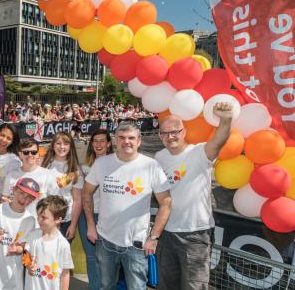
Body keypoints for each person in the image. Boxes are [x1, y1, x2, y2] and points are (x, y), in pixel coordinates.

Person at [83, 122, 172, 290]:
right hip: (105, 240)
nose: (127, 142)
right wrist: (90, 225)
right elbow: (86, 193)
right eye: (122, 138)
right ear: (115, 140)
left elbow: (166, 202)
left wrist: (153, 238)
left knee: (136, 287)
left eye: (131, 138)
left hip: (136, 244)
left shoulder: (151, 166)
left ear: (139, 141)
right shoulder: (102, 164)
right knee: (105, 286)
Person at [155, 102, 234, 290]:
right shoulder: (159, 157)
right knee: (166, 285)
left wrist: (226, 119)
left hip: (195, 234)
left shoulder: (199, 152)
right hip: (166, 232)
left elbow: (220, 139)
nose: (170, 136)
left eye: (174, 131)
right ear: (160, 136)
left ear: (184, 132)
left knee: (194, 286)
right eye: (165, 133)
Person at [0, 178, 38, 290]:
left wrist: (18, 250)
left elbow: (25, 249)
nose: (24, 199)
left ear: (33, 200)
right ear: (14, 190)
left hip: (15, 280)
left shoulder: (30, 220)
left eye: (29, 197)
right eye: (21, 193)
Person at [81, 130, 114, 290]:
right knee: (92, 256)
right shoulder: (84, 166)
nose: (98, 144)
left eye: (102, 141)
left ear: (109, 144)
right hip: (87, 215)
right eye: (95, 141)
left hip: (107, 216)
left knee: (108, 257)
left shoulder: (116, 164)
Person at [24, 196, 74, 290]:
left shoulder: (63, 244)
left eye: (44, 217)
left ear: (58, 219)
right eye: (38, 216)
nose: (39, 220)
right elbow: (25, 252)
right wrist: (28, 264)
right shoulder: (33, 235)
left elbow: (65, 274)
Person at [41, 132, 84, 242]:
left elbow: (77, 200)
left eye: (66, 144)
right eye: (58, 143)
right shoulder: (44, 164)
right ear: (53, 145)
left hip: (65, 220)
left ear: (71, 147)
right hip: (43, 218)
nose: (62, 147)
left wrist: (73, 225)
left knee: (61, 257)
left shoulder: (75, 170)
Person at [2, 139, 57, 217]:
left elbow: (54, 203)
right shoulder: (11, 175)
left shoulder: (48, 175)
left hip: (38, 225)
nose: (30, 155)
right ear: (20, 154)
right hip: (14, 223)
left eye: (33, 152)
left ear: (38, 154)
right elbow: (5, 198)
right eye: (26, 152)